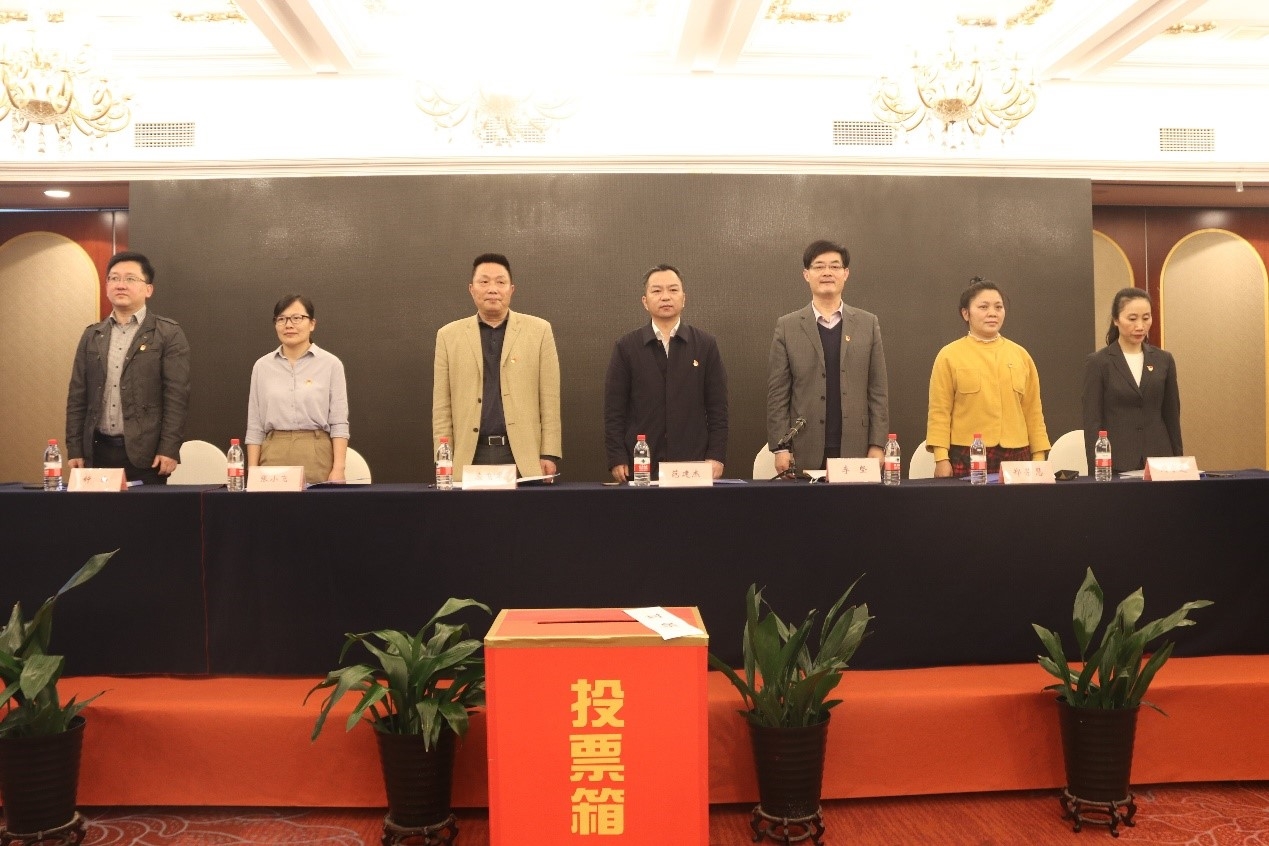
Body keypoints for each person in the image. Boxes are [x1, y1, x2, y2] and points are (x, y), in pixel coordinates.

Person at [65, 251, 191, 485]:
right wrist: (74, 448)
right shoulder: (92, 335)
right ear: (107, 286)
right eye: (114, 278)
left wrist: (169, 448)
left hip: (146, 455)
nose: (120, 285)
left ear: (148, 289)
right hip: (97, 451)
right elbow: (77, 396)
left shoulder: (168, 333)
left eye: (130, 279)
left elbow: (176, 397)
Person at [433, 253, 562, 482]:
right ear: (471, 289)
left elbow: (550, 399)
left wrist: (549, 453)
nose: (492, 289)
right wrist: (444, 458)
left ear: (511, 289)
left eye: (500, 282)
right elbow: (442, 406)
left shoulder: (539, 331)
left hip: (523, 455)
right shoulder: (448, 336)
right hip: (469, 455)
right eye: (484, 282)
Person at [766, 239, 889, 474]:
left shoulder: (868, 324)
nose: (827, 272)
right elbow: (778, 394)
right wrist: (781, 447)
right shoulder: (787, 326)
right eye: (819, 266)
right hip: (803, 448)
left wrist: (877, 443)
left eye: (834, 266)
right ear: (806, 274)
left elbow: (878, 390)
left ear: (845, 273)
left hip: (857, 447)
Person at [604, 265, 729, 481]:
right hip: (641, 463)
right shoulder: (627, 347)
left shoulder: (705, 345)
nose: (665, 297)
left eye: (673, 290)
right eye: (656, 291)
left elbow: (718, 408)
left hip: (693, 463)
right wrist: (616, 457)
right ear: (645, 301)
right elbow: (614, 410)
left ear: (684, 298)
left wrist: (716, 456)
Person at [926, 277, 1050, 477]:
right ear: (966, 313)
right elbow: (939, 412)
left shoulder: (1021, 355)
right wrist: (941, 458)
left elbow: (1033, 411)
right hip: (967, 453)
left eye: (998, 307)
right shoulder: (949, 355)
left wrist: (1039, 456)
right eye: (983, 307)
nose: (992, 313)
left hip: (1017, 454)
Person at [244, 294, 349, 485]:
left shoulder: (331, 364)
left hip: (316, 453)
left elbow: (339, 422)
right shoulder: (262, 366)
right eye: (282, 319)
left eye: (297, 318)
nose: (288, 325)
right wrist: (252, 472)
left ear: (312, 324)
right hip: (273, 452)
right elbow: (255, 425)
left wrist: (339, 468)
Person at [1082, 287, 1181, 472]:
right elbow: (1092, 422)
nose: (1140, 326)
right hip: (1117, 461)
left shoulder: (1164, 360)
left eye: (1146, 318)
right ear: (1116, 320)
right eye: (1132, 319)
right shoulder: (1099, 363)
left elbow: (1172, 418)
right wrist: (1097, 470)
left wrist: (1178, 463)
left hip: (1159, 460)